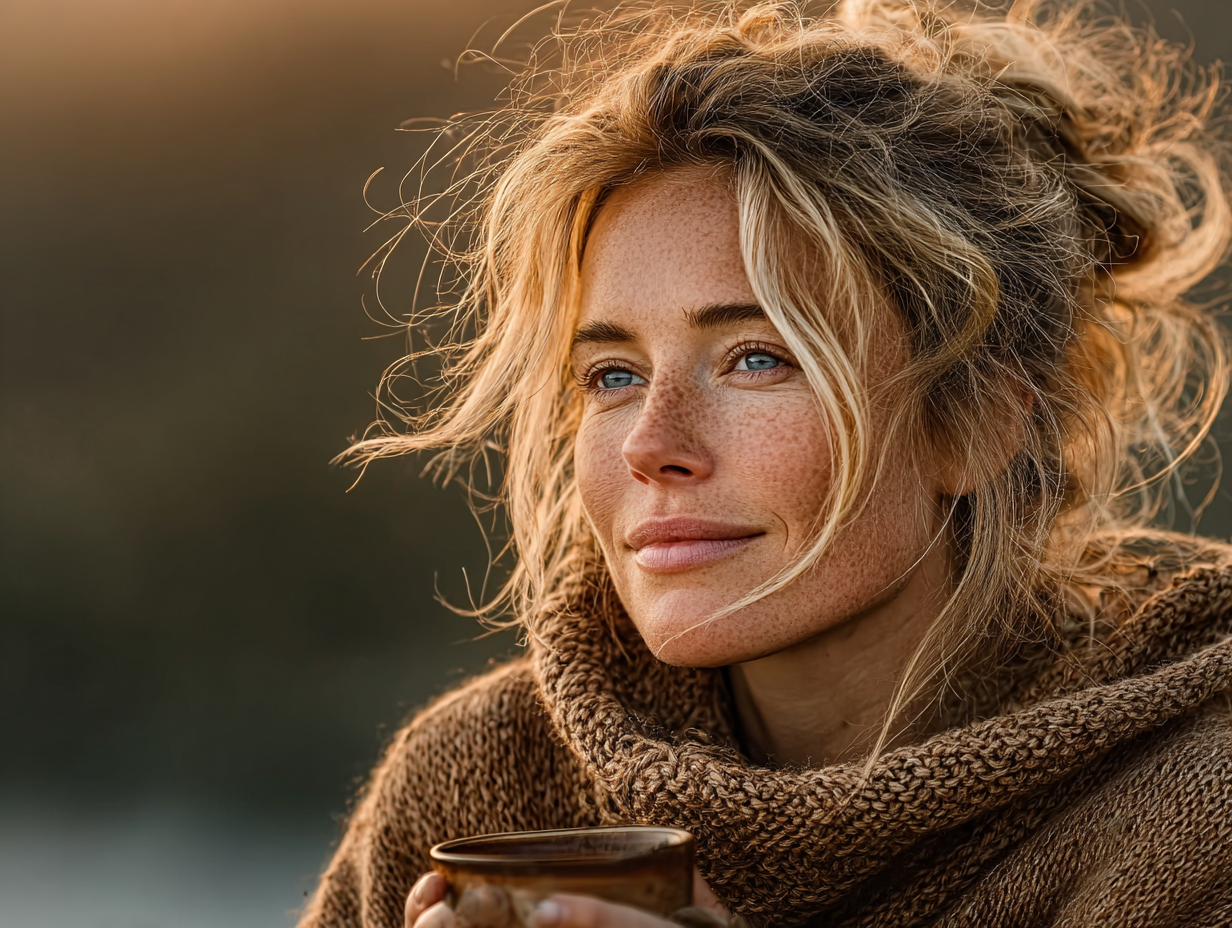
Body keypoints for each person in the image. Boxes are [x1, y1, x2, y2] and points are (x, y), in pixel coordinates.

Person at [299, 1, 1232, 926]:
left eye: (757, 358)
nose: (651, 444)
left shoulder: (1194, 817)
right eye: (612, 374)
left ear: (981, 422)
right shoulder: (475, 784)